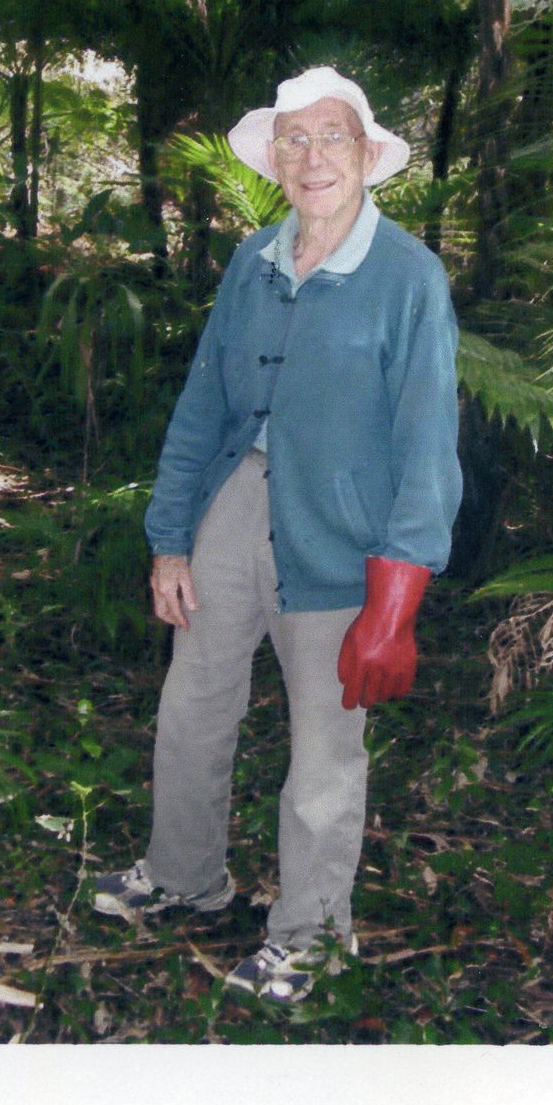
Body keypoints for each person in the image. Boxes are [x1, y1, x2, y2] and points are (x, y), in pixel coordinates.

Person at [93, 66, 462, 1001]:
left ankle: (310, 934)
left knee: (324, 750)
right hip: (236, 504)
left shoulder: (410, 277)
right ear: (275, 160)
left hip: (343, 536)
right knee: (191, 704)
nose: (311, 156)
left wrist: (398, 600)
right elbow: (202, 405)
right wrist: (170, 539)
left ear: (369, 154)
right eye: (292, 139)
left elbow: (427, 444)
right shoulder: (254, 260)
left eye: (331, 135)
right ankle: (185, 875)